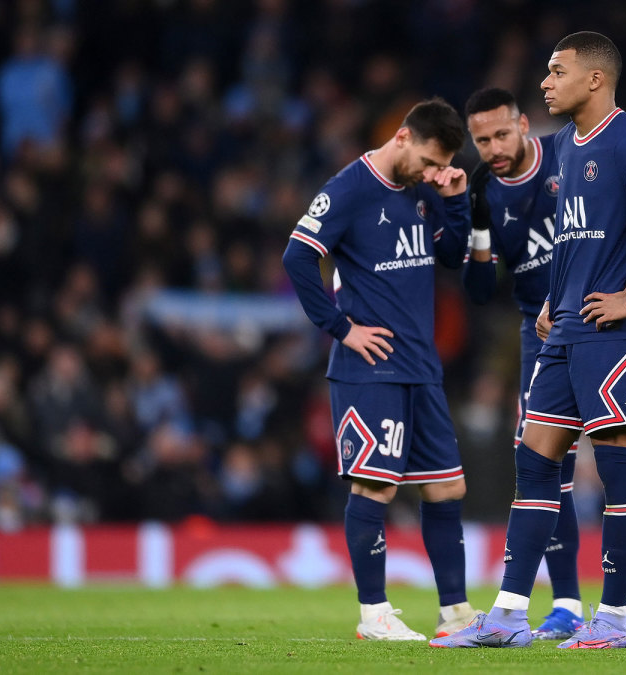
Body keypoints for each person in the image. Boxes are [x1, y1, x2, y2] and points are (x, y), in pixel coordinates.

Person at [433, 32, 626, 649]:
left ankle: (614, 617)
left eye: (557, 71)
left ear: (594, 79)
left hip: (617, 329)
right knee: (535, 462)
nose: (545, 81)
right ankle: (508, 615)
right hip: (566, 328)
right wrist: (556, 299)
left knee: (618, 469)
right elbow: (571, 238)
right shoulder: (565, 149)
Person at [460, 86, 626, 641]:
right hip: (541, 329)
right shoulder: (484, 190)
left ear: (524, 124)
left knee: (624, 455)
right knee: (543, 464)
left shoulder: (571, 151)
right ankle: (565, 605)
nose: (494, 147)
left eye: (502, 133)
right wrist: (476, 223)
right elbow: (480, 289)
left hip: (599, 321)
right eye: (481, 140)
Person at [282, 98, 479, 641]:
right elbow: (297, 257)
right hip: (370, 369)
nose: (433, 173)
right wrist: (342, 329)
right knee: (374, 489)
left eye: (441, 166)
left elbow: (451, 257)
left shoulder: (425, 189)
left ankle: (456, 615)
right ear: (402, 138)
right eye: (429, 161)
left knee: (446, 490)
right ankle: (374, 614)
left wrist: (455, 201)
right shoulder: (348, 188)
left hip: (421, 366)